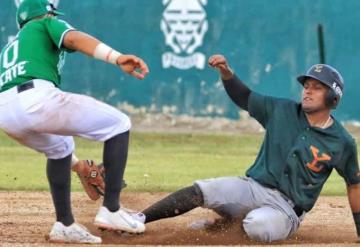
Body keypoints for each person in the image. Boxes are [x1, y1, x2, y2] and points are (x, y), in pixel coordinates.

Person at [139, 54, 360, 243]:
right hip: (252, 188)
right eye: (306, 86)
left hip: (285, 210)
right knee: (204, 190)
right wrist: (227, 73)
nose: (308, 92)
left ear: (333, 97)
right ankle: (138, 218)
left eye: (317, 88)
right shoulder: (281, 110)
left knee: (258, 225)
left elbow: (354, 185)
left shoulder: (342, 142)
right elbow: (244, 98)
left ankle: (219, 228)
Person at [0, 0, 149, 244]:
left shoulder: (11, 46)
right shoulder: (45, 23)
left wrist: (80, 167)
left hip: (5, 112)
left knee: (60, 149)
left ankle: (64, 224)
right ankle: (111, 210)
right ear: (45, 12)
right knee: (119, 124)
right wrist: (116, 57)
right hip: (35, 97)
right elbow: (73, 39)